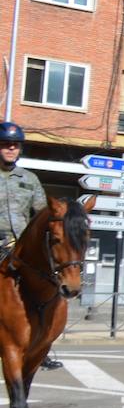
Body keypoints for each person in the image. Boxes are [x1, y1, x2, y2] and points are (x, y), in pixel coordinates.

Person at [0, 122, 61, 370]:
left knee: (46, 284)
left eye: (15, 145)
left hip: (21, 246)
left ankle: (40, 342)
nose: (11, 149)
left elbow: (40, 214)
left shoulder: (30, 179)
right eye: (6, 144)